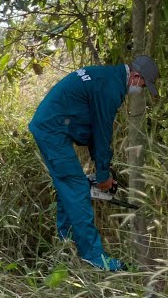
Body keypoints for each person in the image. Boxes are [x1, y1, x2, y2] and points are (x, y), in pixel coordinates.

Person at [28, 55, 159, 271]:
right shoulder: (110, 88)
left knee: (68, 188)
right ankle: (94, 257)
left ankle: (66, 245)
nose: (142, 89)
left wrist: (102, 171)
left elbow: (91, 129)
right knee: (77, 188)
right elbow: (102, 131)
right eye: (144, 85)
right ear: (136, 76)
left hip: (51, 126)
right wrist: (103, 175)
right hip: (52, 131)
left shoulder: (107, 77)